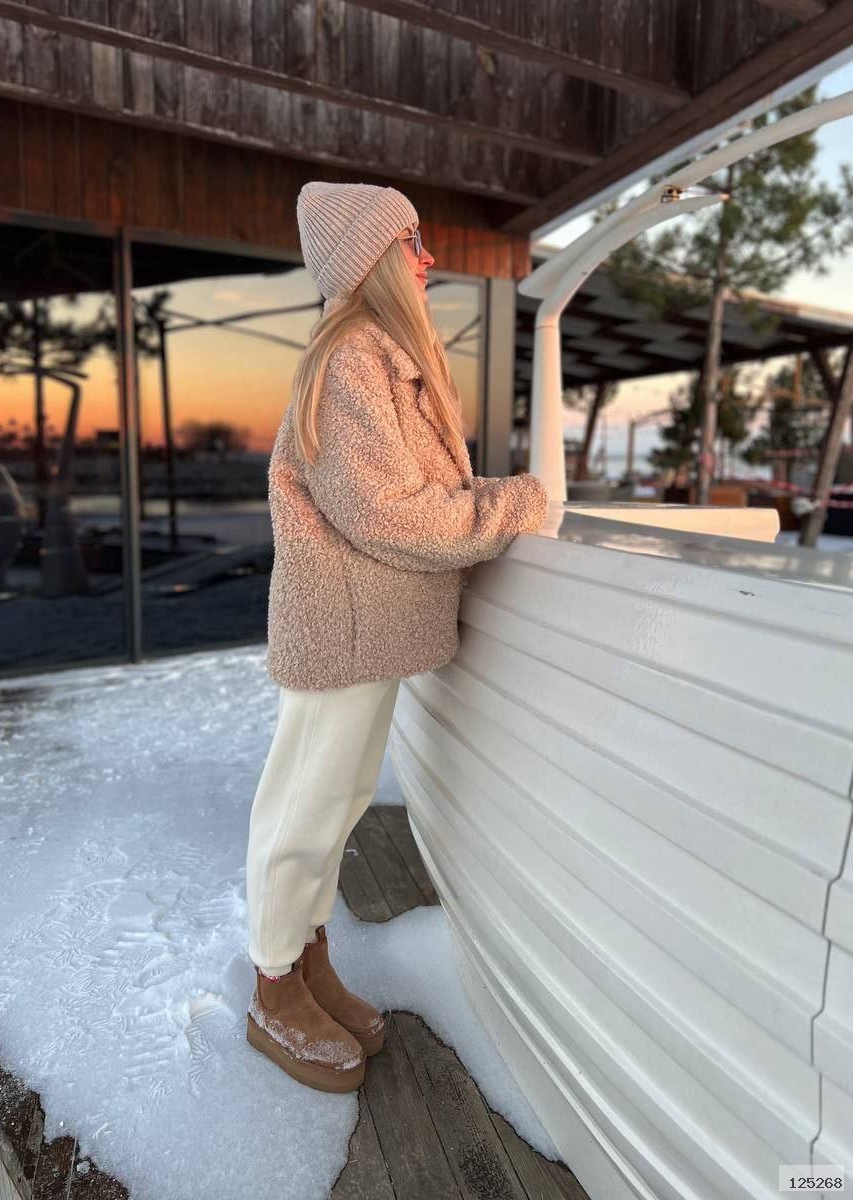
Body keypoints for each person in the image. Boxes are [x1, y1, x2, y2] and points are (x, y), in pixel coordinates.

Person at [245, 181, 550, 1094]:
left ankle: (306, 958)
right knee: (303, 809)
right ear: (373, 256)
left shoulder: (380, 354)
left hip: (368, 627)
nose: (428, 258)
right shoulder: (351, 361)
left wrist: (492, 501)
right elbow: (389, 512)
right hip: (343, 627)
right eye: (412, 242)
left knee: (335, 805)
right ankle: (272, 986)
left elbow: (410, 495)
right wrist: (515, 505)